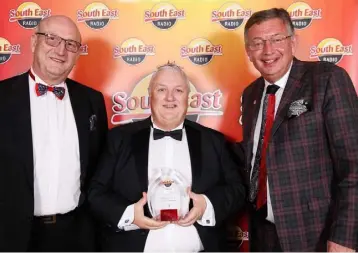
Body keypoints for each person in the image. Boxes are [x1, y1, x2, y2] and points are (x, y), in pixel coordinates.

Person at [88, 62, 246, 252]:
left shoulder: (213, 141)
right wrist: (130, 215)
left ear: (188, 97)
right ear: (150, 96)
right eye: (162, 89)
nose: (170, 97)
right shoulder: (119, 139)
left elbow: (237, 190)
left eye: (178, 90)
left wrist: (206, 205)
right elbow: (96, 193)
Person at [241, 7, 358, 252]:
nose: (268, 50)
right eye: (258, 43)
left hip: (317, 234)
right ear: (248, 52)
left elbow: (354, 166)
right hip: (264, 233)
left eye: (276, 39)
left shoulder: (327, 79)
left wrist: (345, 237)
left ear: (293, 42)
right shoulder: (250, 94)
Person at [0, 15, 108, 251]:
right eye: (52, 39)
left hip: (77, 234)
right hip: (12, 235)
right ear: (33, 43)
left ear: (78, 53)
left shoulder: (92, 101)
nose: (61, 50)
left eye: (71, 44)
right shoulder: (3, 97)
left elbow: (99, 168)